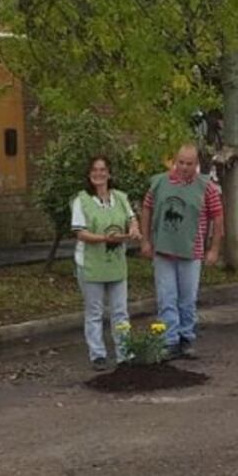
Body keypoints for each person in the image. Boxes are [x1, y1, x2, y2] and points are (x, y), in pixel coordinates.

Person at [141, 143, 223, 359]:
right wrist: (146, 241)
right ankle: (170, 340)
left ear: (196, 165)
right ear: (175, 161)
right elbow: (147, 209)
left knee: (187, 298)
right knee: (166, 296)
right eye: (181, 163)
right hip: (163, 250)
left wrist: (214, 249)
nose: (184, 167)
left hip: (191, 252)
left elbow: (218, 217)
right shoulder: (159, 183)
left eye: (189, 164)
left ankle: (186, 337)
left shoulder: (207, 188)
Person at [71, 155, 141, 370]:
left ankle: (125, 352)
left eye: (102, 170)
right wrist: (105, 239)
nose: (98, 174)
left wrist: (134, 230)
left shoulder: (120, 197)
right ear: (89, 174)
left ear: (109, 174)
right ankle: (98, 354)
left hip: (115, 262)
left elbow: (131, 218)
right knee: (94, 311)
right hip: (91, 263)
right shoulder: (81, 200)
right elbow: (80, 233)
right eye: (94, 170)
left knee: (120, 310)